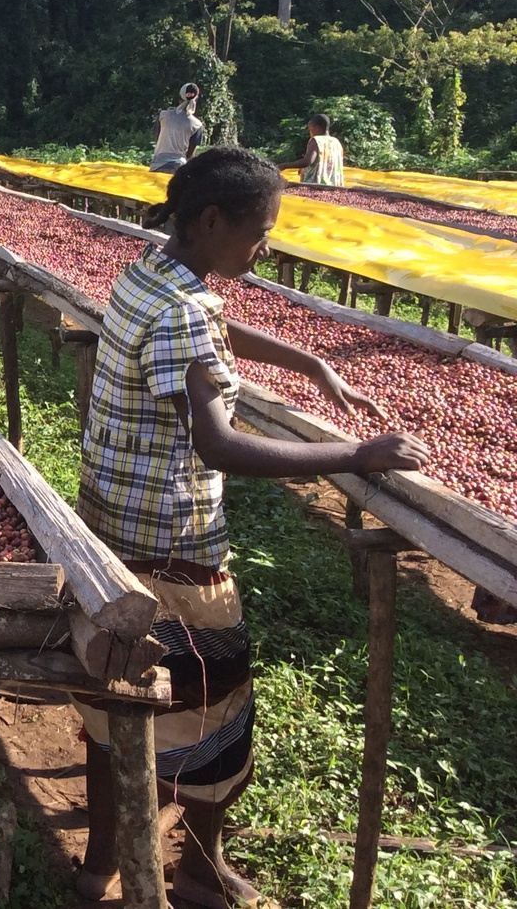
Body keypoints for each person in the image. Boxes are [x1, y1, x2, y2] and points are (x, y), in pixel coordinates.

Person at [72, 146, 429, 908]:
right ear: (210, 221)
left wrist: (311, 364)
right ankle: (199, 869)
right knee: (215, 710)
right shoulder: (183, 310)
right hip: (174, 550)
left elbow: (214, 329)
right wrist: (357, 453)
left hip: (110, 526)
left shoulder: (151, 266)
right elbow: (218, 442)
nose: (265, 246)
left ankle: (99, 857)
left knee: (111, 696)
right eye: (259, 232)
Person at [150, 82, 204, 174]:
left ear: (179, 98)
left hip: (158, 164)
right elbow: (190, 154)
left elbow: (157, 138)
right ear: (196, 100)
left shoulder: (163, 115)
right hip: (179, 168)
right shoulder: (197, 125)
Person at [283, 112, 346, 187]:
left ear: (317, 128)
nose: (310, 133)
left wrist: (284, 165)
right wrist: (304, 169)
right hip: (334, 187)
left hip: (317, 186)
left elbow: (307, 161)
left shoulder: (316, 140)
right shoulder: (336, 142)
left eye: (310, 129)